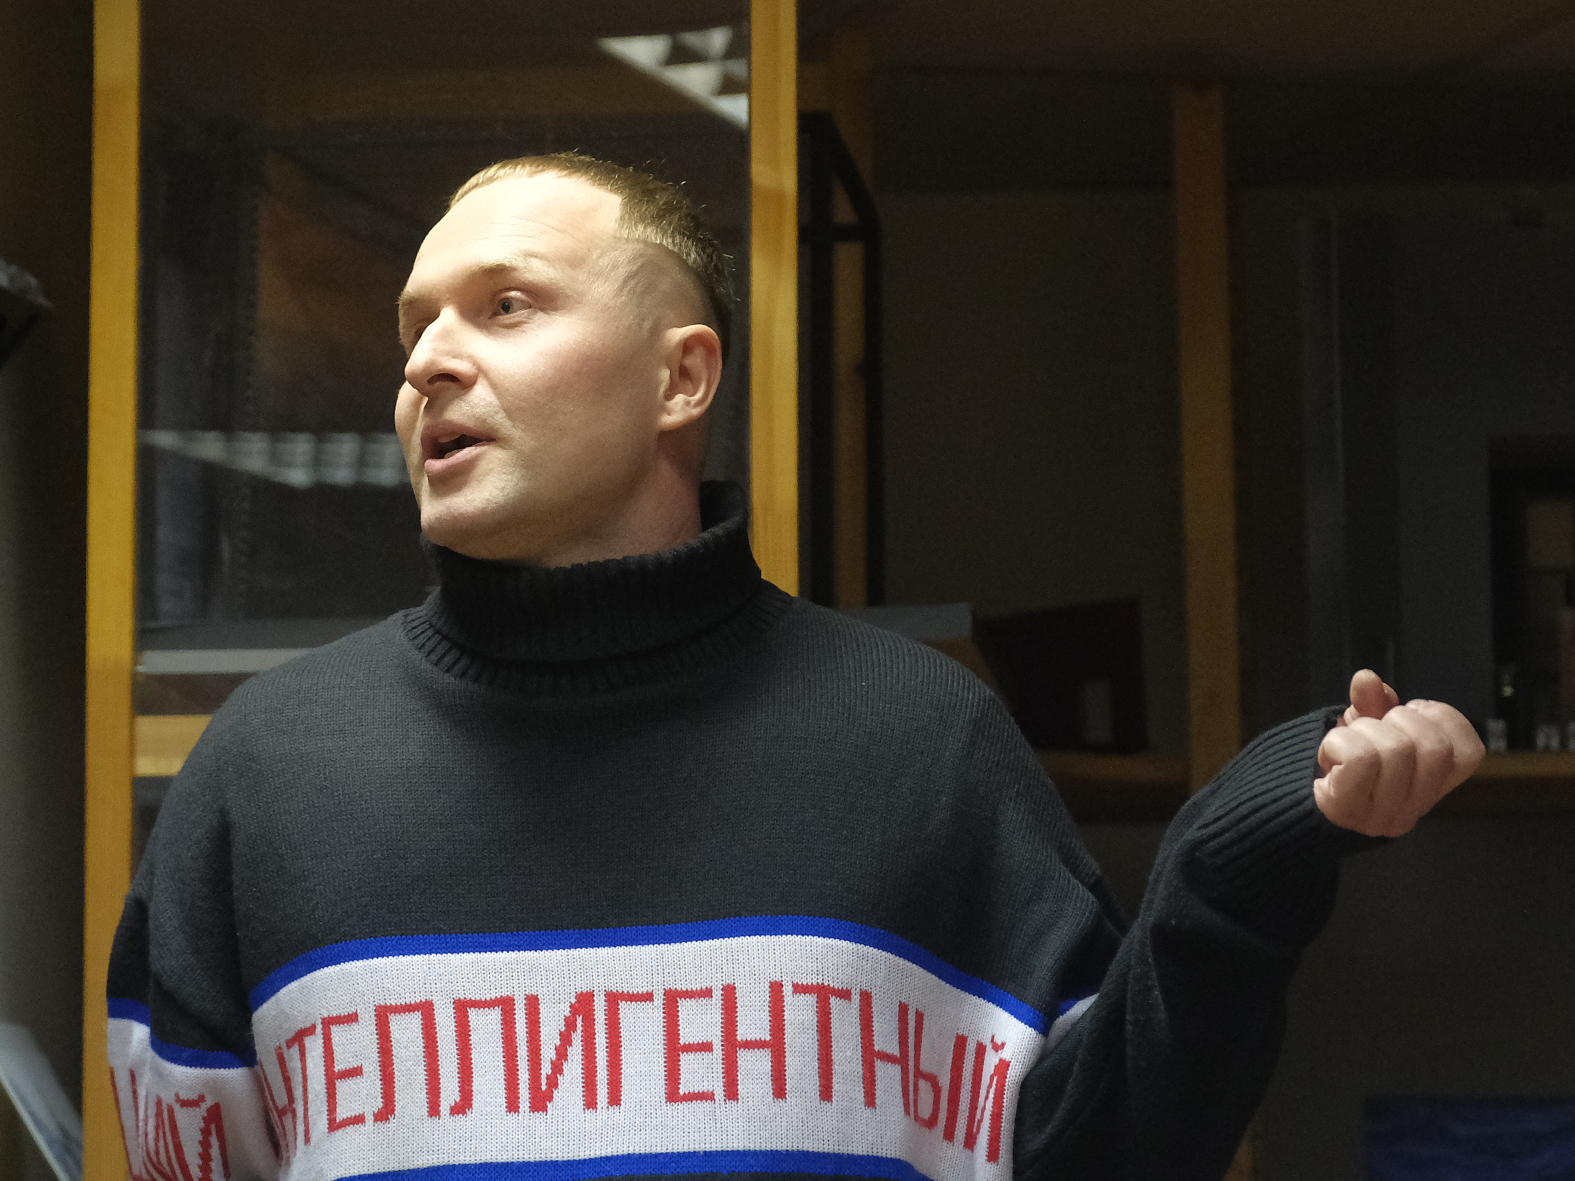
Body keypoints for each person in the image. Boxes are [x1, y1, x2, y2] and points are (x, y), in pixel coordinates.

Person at [106, 153, 1483, 1181]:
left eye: (505, 306)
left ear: (682, 379)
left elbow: (1107, 1155)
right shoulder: (261, 771)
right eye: (415, 327)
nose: (428, 365)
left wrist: (1232, 874)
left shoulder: (921, 741)